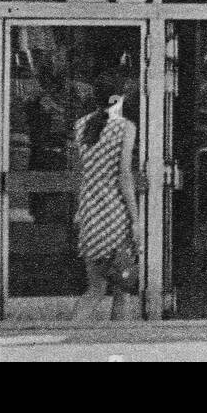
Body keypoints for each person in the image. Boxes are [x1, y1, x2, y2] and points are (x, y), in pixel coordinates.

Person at [72, 83, 140, 322]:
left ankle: (72, 341)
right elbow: (124, 175)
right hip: (115, 213)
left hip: (90, 212)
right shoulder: (125, 127)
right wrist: (136, 219)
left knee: (95, 289)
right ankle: (118, 344)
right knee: (122, 290)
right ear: (118, 99)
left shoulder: (81, 125)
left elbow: (81, 171)